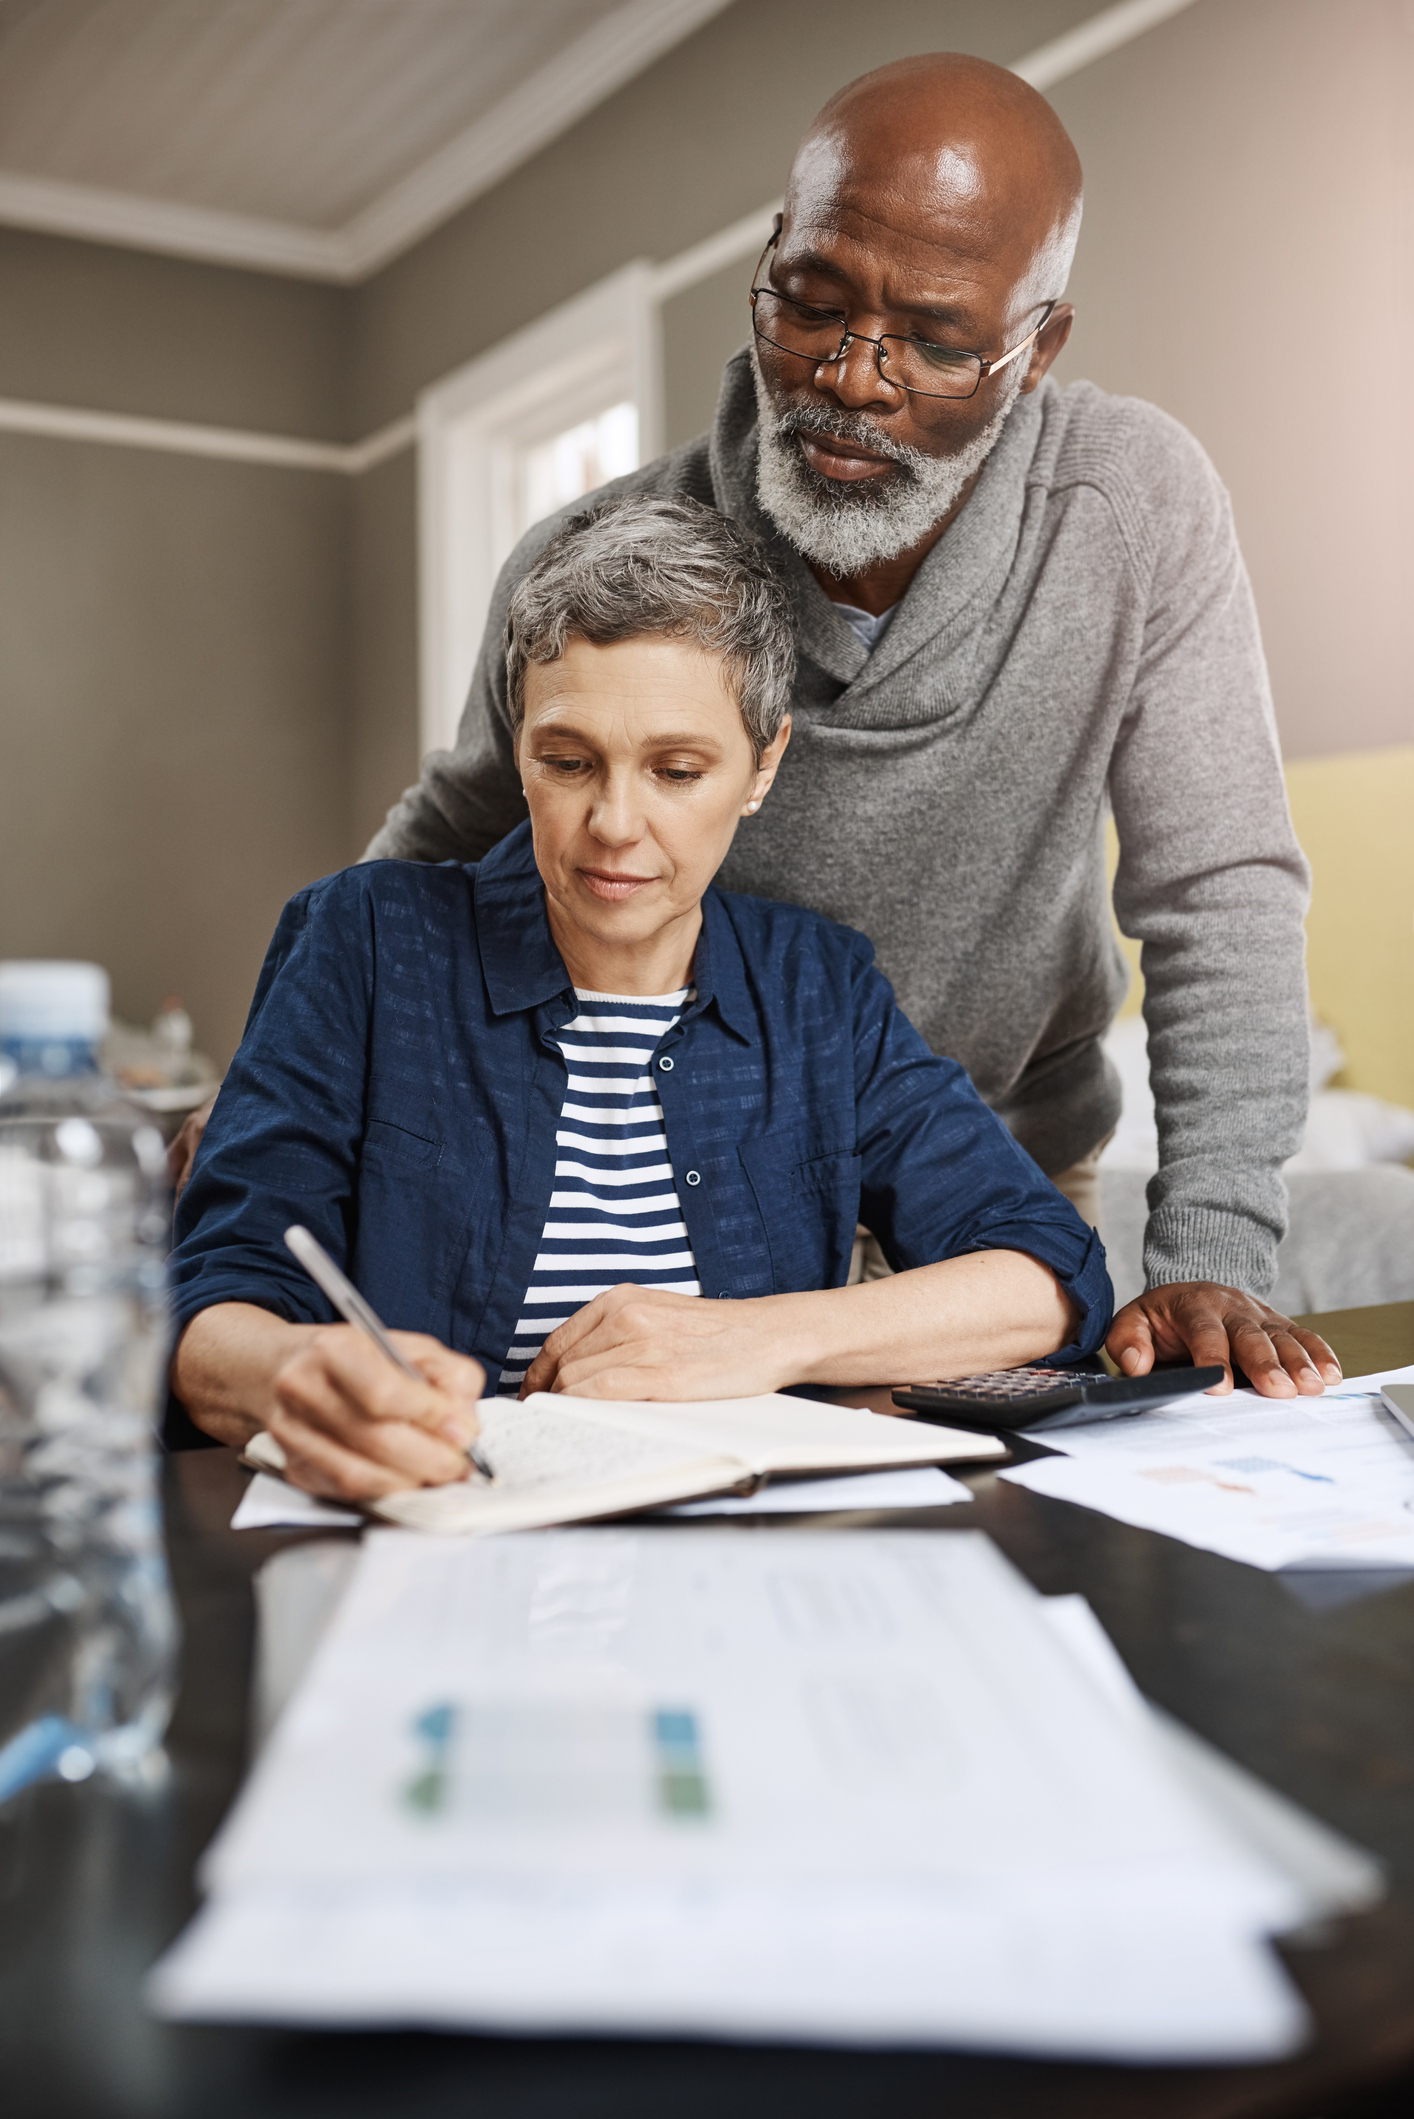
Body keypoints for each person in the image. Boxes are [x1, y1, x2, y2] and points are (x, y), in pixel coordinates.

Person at [354, 52, 1339, 1402]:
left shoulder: (1131, 506)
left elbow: (1215, 890)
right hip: (714, 1176)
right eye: (811, 304)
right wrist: (280, 1082)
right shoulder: (599, 557)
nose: (852, 378)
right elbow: (445, 844)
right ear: (771, 258)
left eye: (936, 341)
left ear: (1039, 343)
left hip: (990, 1172)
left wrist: (1212, 1246)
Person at [169, 499, 1108, 1502]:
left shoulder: (815, 989)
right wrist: (289, 1381)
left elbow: (1048, 1273)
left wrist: (756, 1340)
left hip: (734, 1568)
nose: (615, 824)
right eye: (568, 761)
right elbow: (211, 1305)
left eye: (676, 770)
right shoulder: (364, 940)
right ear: (518, 746)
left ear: (762, 766)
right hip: (427, 1551)